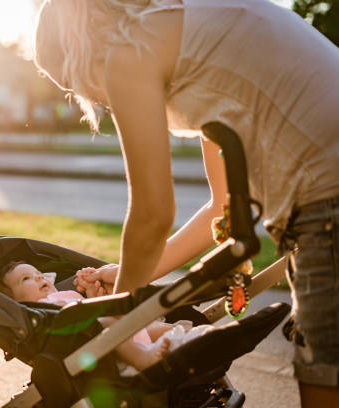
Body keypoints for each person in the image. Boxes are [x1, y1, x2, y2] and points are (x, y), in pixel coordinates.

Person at [32, 0, 339, 405]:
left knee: (324, 380)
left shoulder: (130, 52)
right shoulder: (193, 32)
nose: (87, 96)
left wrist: (118, 314)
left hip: (327, 201)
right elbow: (225, 206)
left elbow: (152, 215)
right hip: (324, 193)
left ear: (78, 50)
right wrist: (128, 276)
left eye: (70, 83)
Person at [0, 261, 209, 371]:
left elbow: (92, 306)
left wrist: (92, 292)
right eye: (26, 279)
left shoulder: (65, 294)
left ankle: (185, 336)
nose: (38, 276)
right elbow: (85, 316)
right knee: (108, 321)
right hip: (101, 344)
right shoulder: (37, 311)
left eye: (37, 272)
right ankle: (141, 357)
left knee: (154, 327)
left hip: (120, 329)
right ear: (17, 302)